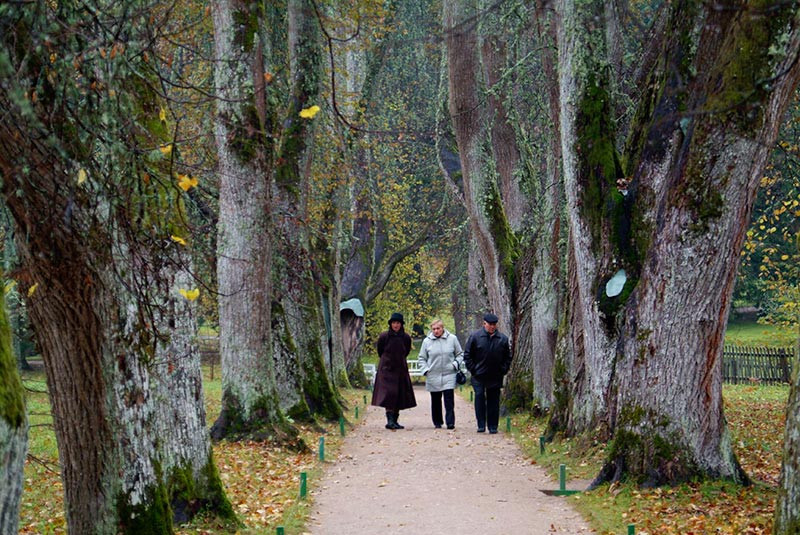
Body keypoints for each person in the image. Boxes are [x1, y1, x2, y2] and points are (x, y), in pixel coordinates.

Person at [463, 313, 512, 434]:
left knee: (493, 400)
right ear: (484, 324)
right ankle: (481, 424)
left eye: (494, 325)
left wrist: (503, 369)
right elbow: (467, 354)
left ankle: (493, 426)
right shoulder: (475, 337)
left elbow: (507, 357)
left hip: (495, 374)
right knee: (479, 397)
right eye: (490, 324)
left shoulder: (502, 339)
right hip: (479, 375)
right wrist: (473, 369)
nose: (492, 327)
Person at [371, 312, 417, 430]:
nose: (395, 325)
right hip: (387, 369)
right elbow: (380, 351)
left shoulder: (406, 337)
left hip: (400, 368)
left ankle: (395, 420)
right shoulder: (384, 336)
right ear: (390, 324)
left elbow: (406, 351)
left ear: (401, 324)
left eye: (398, 323)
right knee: (389, 394)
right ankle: (389, 420)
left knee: (398, 394)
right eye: (394, 323)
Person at [418, 319, 464, 430]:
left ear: (443, 328)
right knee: (435, 400)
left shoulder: (452, 339)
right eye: (434, 329)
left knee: (449, 399)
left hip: (449, 374)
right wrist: (426, 370)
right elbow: (422, 358)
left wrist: (455, 364)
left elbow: (459, 354)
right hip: (433, 374)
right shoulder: (427, 341)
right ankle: (437, 422)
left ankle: (450, 422)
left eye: (438, 328)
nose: (436, 331)